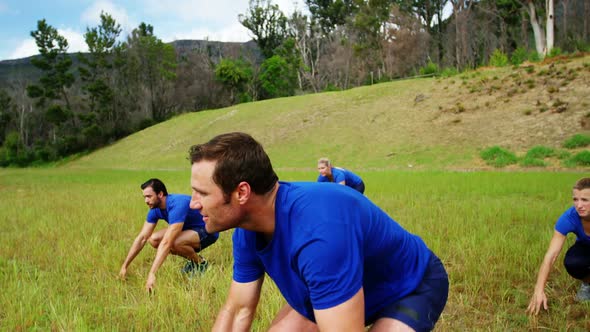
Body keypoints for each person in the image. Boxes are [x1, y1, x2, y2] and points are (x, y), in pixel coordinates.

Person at [188, 132, 448, 331]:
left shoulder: (318, 233)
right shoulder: (247, 229)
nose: (193, 203)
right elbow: (238, 310)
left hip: (410, 286)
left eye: (201, 192)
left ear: (241, 193)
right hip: (336, 287)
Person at [119, 178, 219, 292]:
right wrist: (125, 266)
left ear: (160, 194)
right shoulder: (155, 210)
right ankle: (193, 261)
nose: (146, 201)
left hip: (207, 231)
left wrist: (152, 273)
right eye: (144, 197)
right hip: (188, 230)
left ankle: (201, 264)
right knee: (153, 239)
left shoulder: (177, 204)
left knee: (174, 242)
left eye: (149, 196)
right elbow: (142, 238)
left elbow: (167, 242)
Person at [527, 177, 590, 315]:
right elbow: (551, 255)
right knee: (573, 262)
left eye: (585, 200)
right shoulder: (569, 218)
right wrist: (539, 289)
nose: (579, 205)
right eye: (575, 199)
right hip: (586, 248)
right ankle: (587, 283)